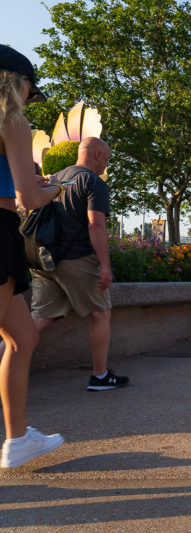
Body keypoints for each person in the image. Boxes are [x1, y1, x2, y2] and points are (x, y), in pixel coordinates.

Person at [0, 44, 65, 468]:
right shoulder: (12, 121)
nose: (29, 98)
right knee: (20, 339)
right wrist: (57, 186)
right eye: (30, 89)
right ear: (17, 82)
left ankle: (19, 439)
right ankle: (17, 440)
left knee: (23, 336)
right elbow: (29, 197)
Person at [27, 137, 128, 392]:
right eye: (107, 156)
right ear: (96, 154)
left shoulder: (52, 179)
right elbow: (95, 225)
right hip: (78, 260)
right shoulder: (93, 182)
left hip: (43, 260)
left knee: (39, 318)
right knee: (101, 313)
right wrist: (105, 265)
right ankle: (100, 376)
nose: (107, 161)